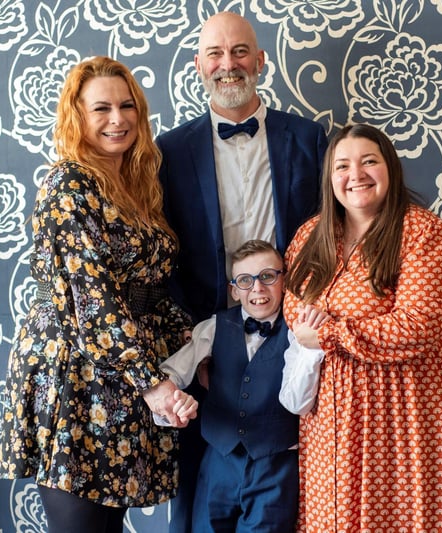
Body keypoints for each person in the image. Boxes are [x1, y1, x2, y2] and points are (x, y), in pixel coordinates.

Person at [0, 56, 200, 533]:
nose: (118, 119)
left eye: (127, 106)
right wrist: (152, 384)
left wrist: (202, 344)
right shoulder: (69, 184)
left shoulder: (136, 186)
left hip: (124, 375)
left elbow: (148, 289)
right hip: (76, 375)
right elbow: (92, 299)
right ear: (77, 117)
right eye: (101, 108)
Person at [154, 11, 328, 532]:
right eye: (215, 54)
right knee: (201, 497)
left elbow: (327, 240)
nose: (227, 64)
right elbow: (162, 256)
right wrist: (196, 344)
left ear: (260, 61)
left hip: (292, 339)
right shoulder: (169, 151)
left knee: (287, 493)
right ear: (198, 65)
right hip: (206, 339)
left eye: (239, 52)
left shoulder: (309, 138)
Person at [283, 124, 442, 531]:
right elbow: (293, 310)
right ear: (330, 178)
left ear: (389, 167)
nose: (355, 174)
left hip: (413, 411)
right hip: (332, 419)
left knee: (414, 518)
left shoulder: (421, 231)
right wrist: (323, 331)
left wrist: (330, 334)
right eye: (342, 165)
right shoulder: (310, 235)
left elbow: (418, 324)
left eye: (368, 161)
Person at [155, 239, 327, 532]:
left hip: (275, 467)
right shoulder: (213, 327)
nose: (257, 289)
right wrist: (172, 404)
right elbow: (172, 373)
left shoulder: (299, 332)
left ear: (283, 280)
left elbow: (299, 402)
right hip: (219, 461)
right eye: (245, 281)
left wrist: (312, 347)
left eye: (268, 276)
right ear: (234, 289)